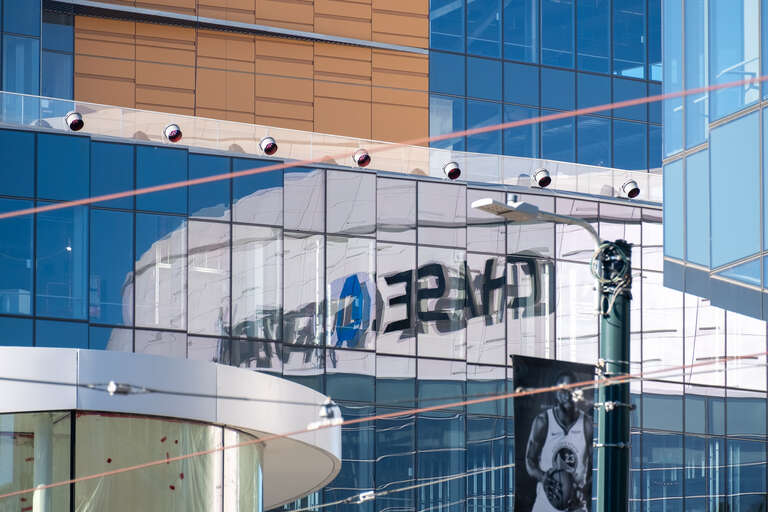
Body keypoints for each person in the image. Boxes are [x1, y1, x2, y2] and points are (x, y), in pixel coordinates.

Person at [525, 371, 592, 512]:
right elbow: (529, 460)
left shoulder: (587, 424)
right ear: (556, 393)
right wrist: (543, 477)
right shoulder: (543, 422)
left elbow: (596, 466)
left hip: (576, 506)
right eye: (562, 390)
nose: (567, 394)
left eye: (572, 389)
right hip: (545, 504)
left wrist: (583, 489)